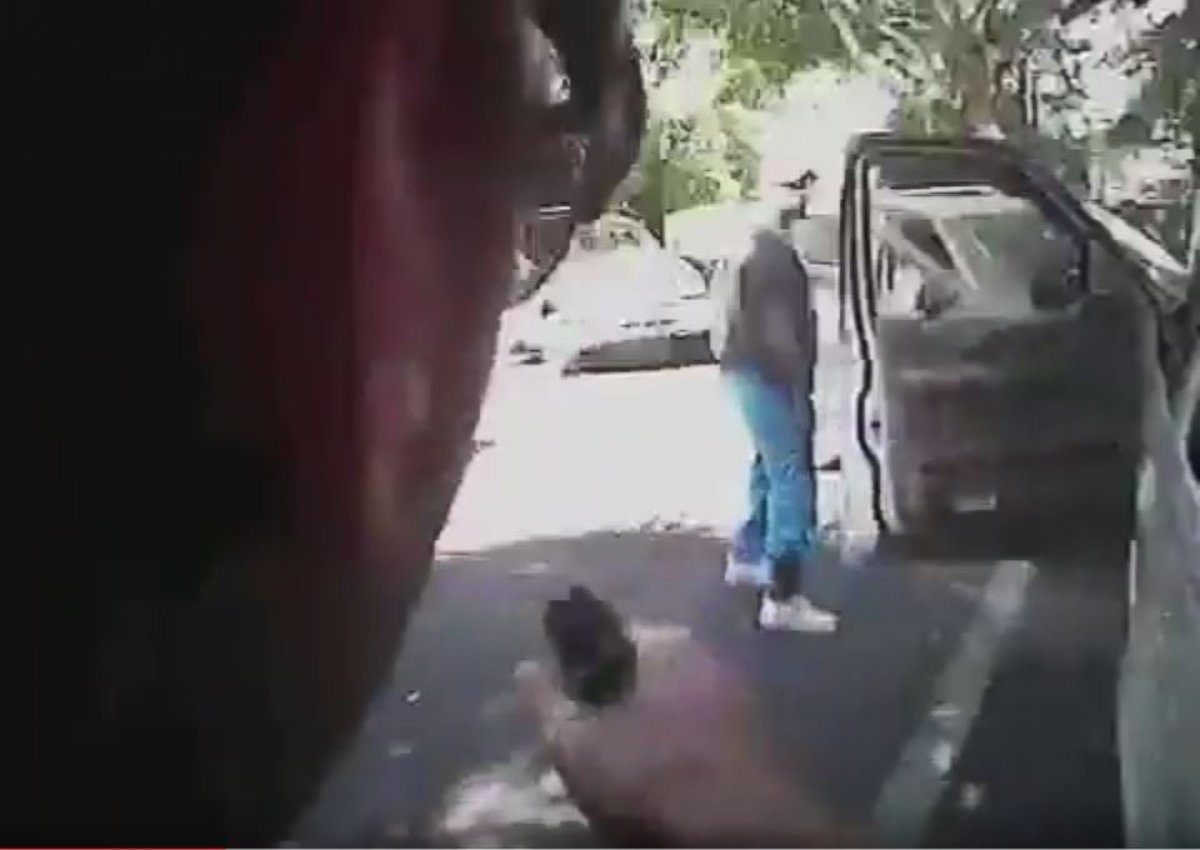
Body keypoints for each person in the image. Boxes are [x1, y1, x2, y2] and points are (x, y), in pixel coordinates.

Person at [711, 205, 838, 633]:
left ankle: (748, 557)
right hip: (769, 376)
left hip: (742, 371)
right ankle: (784, 595)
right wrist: (799, 394)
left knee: (768, 464)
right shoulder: (778, 261)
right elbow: (780, 334)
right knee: (791, 474)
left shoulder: (746, 253)